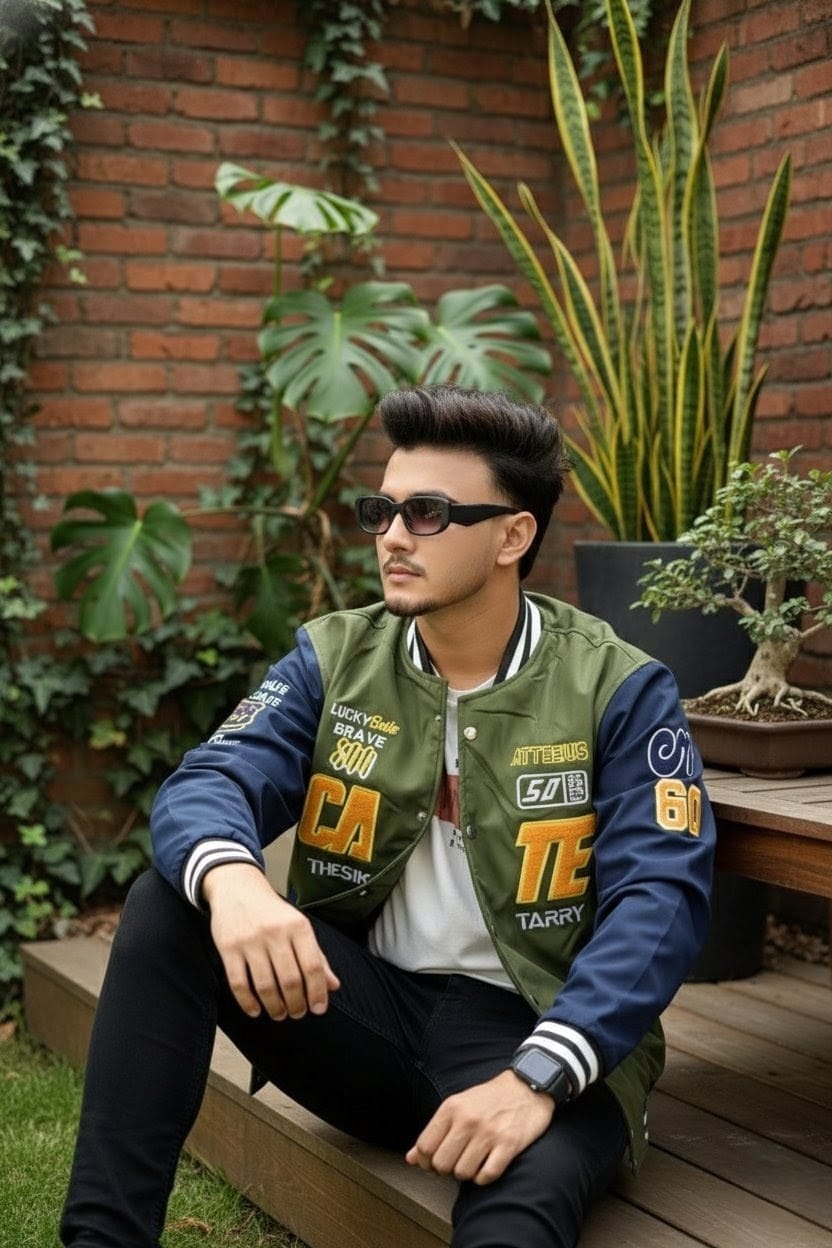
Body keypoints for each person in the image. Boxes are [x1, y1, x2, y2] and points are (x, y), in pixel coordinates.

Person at [61, 384, 715, 1248]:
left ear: (513, 535)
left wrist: (539, 1076)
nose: (394, 537)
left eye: (428, 513)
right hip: (362, 1012)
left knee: (517, 1221)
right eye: (383, 511)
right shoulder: (335, 657)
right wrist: (235, 882)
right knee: (171, 904)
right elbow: (212, 777)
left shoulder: (618, 688)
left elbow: (659, 900)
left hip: (539, 1032)